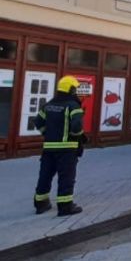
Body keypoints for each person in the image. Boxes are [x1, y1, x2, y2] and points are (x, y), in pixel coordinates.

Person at [33, 75, 86, 216]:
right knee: (66, 177)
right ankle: (65, 206)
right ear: (71, 89)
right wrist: (79, 137)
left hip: (49, 147)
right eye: (75, 89)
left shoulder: (49, 104)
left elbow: (38, 122)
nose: (77, 92)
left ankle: (40, 204)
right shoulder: (73, 105)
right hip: (67, 149)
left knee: (45, 175)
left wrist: (47, 135)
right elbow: (76, 127)